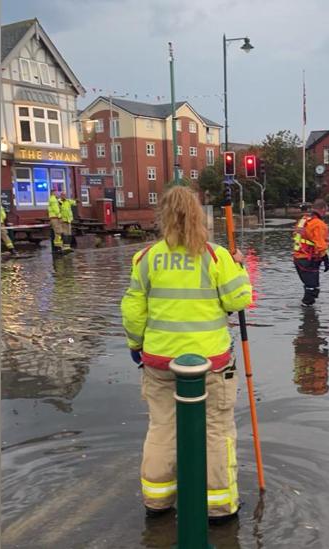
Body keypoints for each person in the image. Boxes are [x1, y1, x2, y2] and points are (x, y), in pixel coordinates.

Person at [120, 186, 252, 522]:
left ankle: (158, 501)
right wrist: (240, 268)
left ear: (162, 216)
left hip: (160, 362)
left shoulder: (146, 258)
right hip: (211, 364)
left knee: (162, 427)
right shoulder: (215, 255)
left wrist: (137, 345)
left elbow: (133, 311)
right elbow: (238, 300)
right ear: (198, 214)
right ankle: (219, 506)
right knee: (216, 431)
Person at [293, 198, 329, 305]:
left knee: (309, 286)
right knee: (313, 289)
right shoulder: (319, 224)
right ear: (322, 209)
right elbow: (320, 244)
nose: (326, 212)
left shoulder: (303, 220)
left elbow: (297, 236)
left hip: (298, 258)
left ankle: (308, 313)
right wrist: (326, 259)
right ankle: (308, 315)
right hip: (309, 259)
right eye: (326, 210)